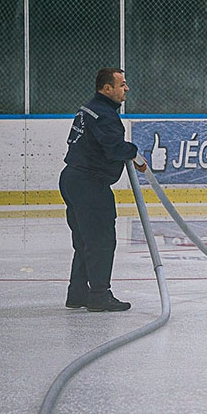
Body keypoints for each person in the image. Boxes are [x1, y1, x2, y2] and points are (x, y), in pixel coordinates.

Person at [59, 68, 147, 312]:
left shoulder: (89, 108)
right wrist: (134, 153)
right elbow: (114, 148)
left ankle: (77, 293)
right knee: (101, 242)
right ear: (107, 88)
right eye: (122, 84)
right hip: (90, 184)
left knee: (84, 241)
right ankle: (99, 295)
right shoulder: (105, 115)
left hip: (72, 179)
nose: (126, 88)